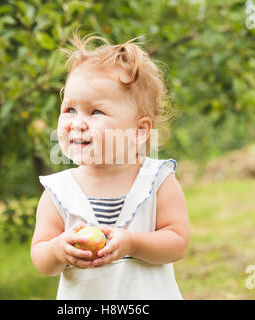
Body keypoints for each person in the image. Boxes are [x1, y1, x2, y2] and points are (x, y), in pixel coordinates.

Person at [30, 32, 190, 300]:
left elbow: (177, 242)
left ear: (140, 131)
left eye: (96, 112)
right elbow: (41, 258)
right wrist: (58, 250)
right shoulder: (59, 192)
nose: (77, 122)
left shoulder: (156, 181)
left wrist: (132, 243)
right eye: (69, 109)